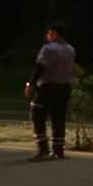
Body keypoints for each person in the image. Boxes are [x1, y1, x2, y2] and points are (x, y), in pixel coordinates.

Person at [24, 21, 76, 160]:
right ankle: (58, 150)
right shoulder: (71, 49)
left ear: (54, 33)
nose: (47, 35)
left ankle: (43, 148)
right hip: (64, 87)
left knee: (37, 114)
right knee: (59, 117)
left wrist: (31, 84)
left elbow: (40, 67)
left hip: (48, 87)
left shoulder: (48, 49)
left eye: (49, 33)